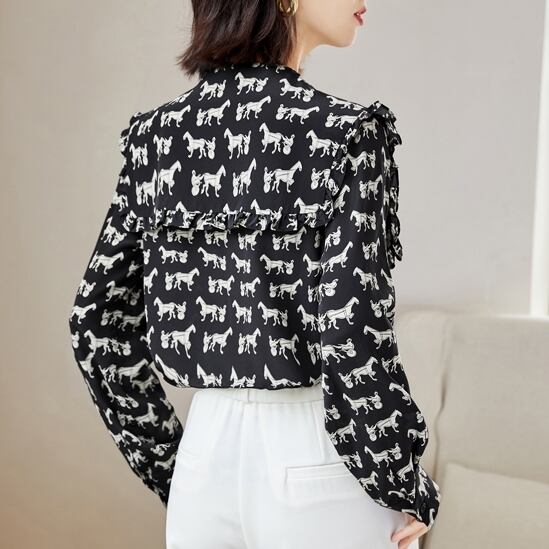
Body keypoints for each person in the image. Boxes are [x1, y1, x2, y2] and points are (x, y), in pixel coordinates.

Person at [68, 0, 441, 547]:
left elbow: (96, 325)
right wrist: (402, 480)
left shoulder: (156, 139)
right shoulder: (344, 135)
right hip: (318, 457)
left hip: (204, 453)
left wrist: (175, 464)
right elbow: (352, 333)